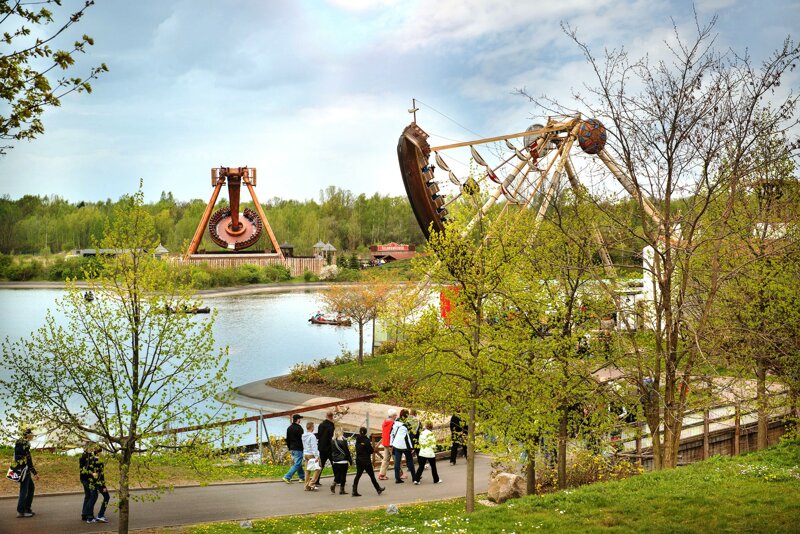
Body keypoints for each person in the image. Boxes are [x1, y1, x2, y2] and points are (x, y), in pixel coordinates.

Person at [352, 427, 385, 497]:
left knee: (358, 475)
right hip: (366, 461)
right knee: (372, 476)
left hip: (359, 460)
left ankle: (354, 490)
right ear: (366, 432)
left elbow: (358, 449)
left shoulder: (357, 440)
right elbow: (370, 451)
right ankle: (378, 488)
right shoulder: (366, 440)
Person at [13, 428, 38, 518]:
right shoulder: (25, 444)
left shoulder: (19, 443)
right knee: (24, 490)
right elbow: (28, 460)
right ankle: (21, 511)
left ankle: (27, 508)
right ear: (27, 435)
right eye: (31, 435)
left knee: (30, 488)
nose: (32, 437)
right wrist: (35, 472)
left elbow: (17, 457)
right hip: (25, 470)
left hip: (22, 469)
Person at [87, 445, 110, 523]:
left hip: (92, 482)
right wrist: (103, 486)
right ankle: (100, 515)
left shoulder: (92, 460)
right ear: (99, 453)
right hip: (98, 483)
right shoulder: (98, 461)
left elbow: (92, 473)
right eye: (101, 452)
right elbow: (99, 475)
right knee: (107, 497)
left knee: (92, 498)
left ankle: (90, 517)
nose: (102, 453)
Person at [391, 412, 415, 484]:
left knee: (397, 462)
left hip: (396, 444)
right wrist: (412, 447)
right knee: (410, 460)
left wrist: (391, 443)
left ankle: (397, 478)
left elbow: (392, 433)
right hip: (405, 445)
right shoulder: (407, 424)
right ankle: (414, 477)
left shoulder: (395, 423)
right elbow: (410, 435)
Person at [282, 414, 305, 484]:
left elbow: (287, 439)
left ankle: (302, 477)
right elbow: (302, 439)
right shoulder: (299, 428)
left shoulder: (289, 428)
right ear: (297, 420)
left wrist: (289, 448)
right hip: (298, 448)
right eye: (299, 419)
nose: (300, 420)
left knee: (298, 463)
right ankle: (287, 477)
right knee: (297, 463)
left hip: (292, 448)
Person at [329, 428, 352, 494]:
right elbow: (347, 451)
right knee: (343, 475)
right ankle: (342, 490)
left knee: (338, 474)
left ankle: (334, 483)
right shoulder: (343, 441)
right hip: (343, 460)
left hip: (335, 460)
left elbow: (332, 451)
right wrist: (350, 460)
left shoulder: (332, 441)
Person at [316, 411, 335, 485]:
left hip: (322, 447)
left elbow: (319, 435)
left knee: (321, 464)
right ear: (332, 417)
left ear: (326, 416)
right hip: (329, 447)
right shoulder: (331, 425)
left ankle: (317, 480)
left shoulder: (321, 425)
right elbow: (331, 436)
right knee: (334, 463)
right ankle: (337, 479)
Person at [378, 409, 396, 481]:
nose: (396, 416)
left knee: (385, 459)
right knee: (396, 458)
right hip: (390, 443)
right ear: (393, 416)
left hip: (385, 442)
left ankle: (382, 474)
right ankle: (400, 473)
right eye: (395, 415)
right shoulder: (393, 423)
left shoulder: (385, 422)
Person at [301, 421, 320, 491]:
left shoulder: (303, 435)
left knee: (307, 470)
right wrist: (317, 456)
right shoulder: (312, 436)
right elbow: (314, 447)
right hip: (311, 454)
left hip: (305, 453)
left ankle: (306, 486)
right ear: (312, 428)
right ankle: (311, 483)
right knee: (317, 468)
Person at [79, 445, 96, 521]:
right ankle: (88, 514)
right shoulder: (86, 457)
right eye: (91, 447)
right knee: (93, 495)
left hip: (84, 479)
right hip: (87, 479)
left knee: (88, 495)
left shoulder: (89, 456)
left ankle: (84, 514)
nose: (93, 448)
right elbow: (86, 469)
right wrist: (92, 473)